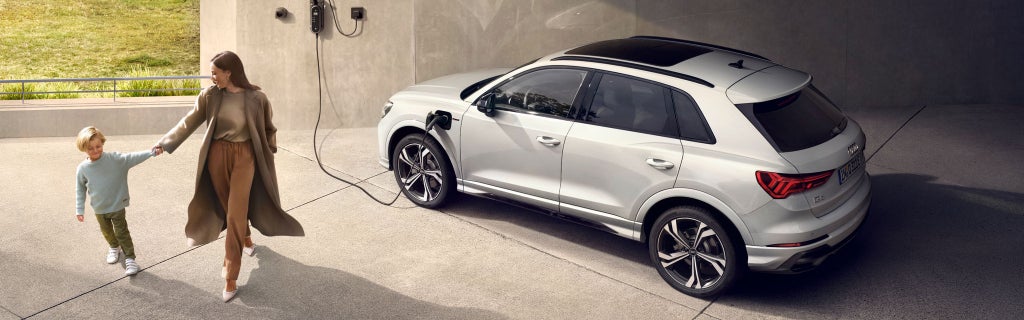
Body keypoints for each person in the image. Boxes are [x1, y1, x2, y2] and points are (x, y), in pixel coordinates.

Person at [152, 51, 304, 302]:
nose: (212, 77)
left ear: (229, 72)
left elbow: (269, 129)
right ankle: (245, 236)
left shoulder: (257, 98)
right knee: (227, 205)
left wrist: (269, 151)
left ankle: (230, 275)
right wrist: (165, 144)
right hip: (216, 155)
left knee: (235, 210)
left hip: (246, 156)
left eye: (215, 73)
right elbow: (188, 122)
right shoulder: (210, 96)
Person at [75, 126, 159, 276]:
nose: (95, 150)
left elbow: (132, 157)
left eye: (98, 146)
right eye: (90, 148)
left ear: (102, 143)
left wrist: (151, 152)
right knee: (106, 232)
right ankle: (114, 247)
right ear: (83, 148)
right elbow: (80, 190)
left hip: (117, 205)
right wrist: (79, 209)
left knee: (122, 232)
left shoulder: (115, 160)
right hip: (99, 208)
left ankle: (130, 259)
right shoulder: (82, 168)